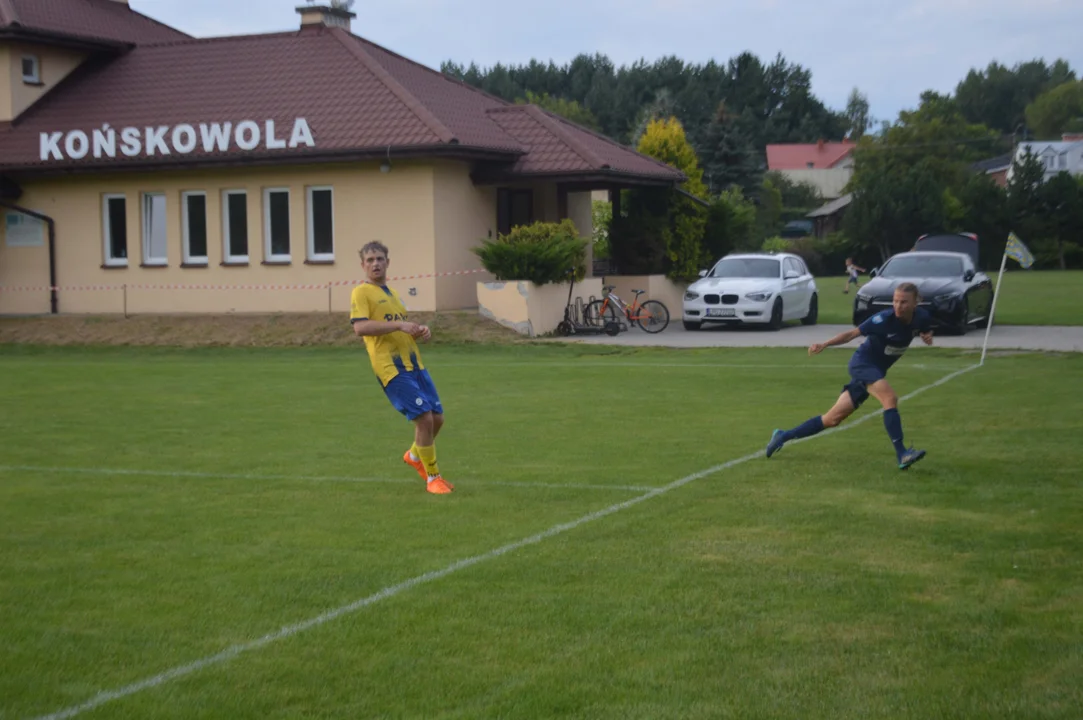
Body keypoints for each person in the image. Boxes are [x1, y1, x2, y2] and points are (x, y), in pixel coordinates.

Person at [765, 282, 933, 470]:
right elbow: (852, 334)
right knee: (889, 398)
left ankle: (782, 435)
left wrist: (927, 335)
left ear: (915, 303)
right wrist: (825, 344)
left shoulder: (922, 317)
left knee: (831, 419)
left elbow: (925, 328)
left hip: (875, 371)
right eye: (895, 301)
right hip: (863, 364)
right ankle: (902, 454)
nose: (898, 306)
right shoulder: (883, 320)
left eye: (903, 302)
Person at [350, 241, 453, 494]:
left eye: (380, 259)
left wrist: (418, 331)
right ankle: (433, 478)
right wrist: (399, 326)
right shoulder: (361, 293)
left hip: (414, 364)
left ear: (388, 262)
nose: (375, 263)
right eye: (370, 260)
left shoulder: (393, 294)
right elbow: (360, 327)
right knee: (424, 418)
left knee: (437, 418)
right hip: (391, 368)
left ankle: (414, 457)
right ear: (363, 265)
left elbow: (399, 328)